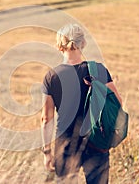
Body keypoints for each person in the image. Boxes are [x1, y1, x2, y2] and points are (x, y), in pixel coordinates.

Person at [41, 24, 122, 183]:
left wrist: (47, 152)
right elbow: (117, 103)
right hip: (96, 141)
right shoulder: (97, 70)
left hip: (65, 143)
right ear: (83, 43)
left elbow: (46, 119)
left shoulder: (51, 76)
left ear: (59, 45)